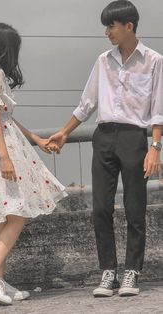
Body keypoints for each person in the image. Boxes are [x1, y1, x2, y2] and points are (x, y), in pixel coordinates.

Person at [46, 0, 163, 297]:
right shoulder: (102, 61)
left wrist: (155, 148)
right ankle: (108, 271)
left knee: (135, 209)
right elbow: (87, 104)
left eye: (111, 25)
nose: (107, 32)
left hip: (134, 138)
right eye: (105, 26)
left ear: (129, 26)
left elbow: (158, 111)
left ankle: (132, 272)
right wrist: (63, 132)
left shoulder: (153, 61)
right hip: (104, 137)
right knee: (100, 208)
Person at [0, 22, 67, 305]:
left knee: (6, 215)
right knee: (17, 214)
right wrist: (5, 157)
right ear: (6, 48)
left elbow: (3, 114)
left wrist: (35, 138)